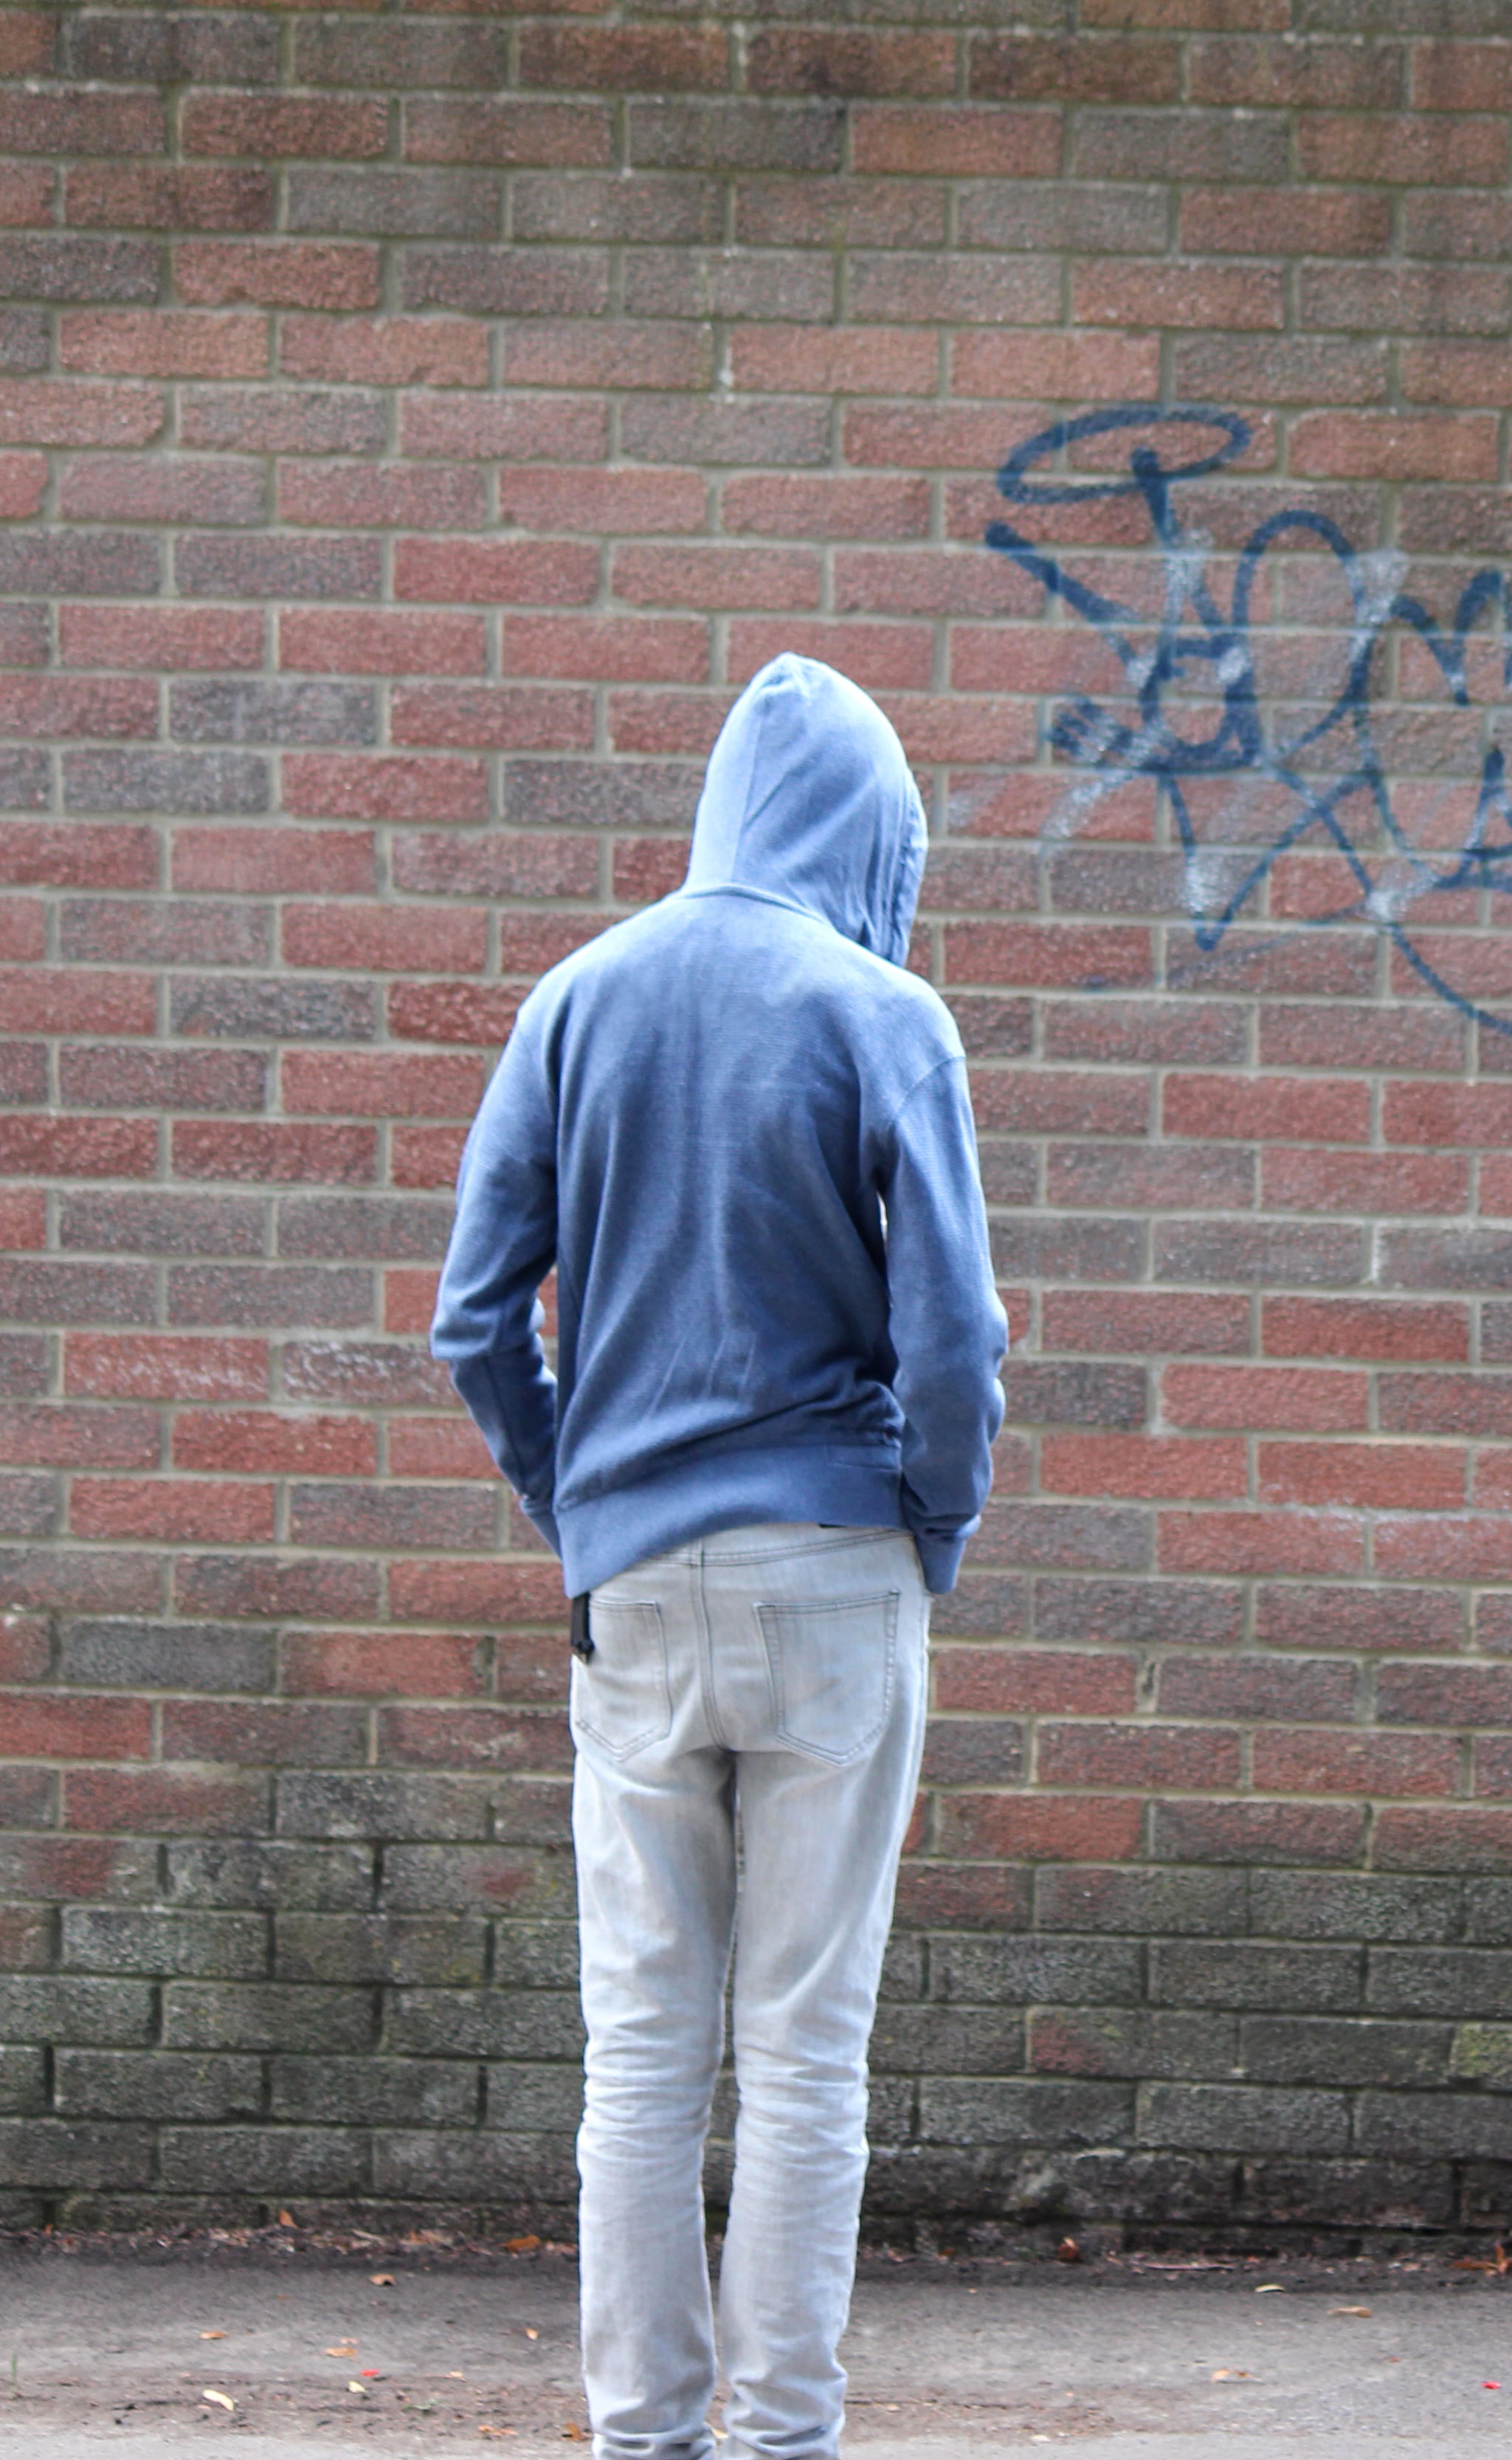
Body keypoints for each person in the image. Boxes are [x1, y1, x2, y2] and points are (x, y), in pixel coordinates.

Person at [433, 652, 1008, 2459]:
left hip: (636, 1589)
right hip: (838, 1566)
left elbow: (471, 1322)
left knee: (642, 2048)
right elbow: (958, 1339)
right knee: (808, 2050)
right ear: (874, 832)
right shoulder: (883, 1008)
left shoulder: (576, 1000)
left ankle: (642, 2433)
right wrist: (935, 1520)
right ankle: (783, 2436)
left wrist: (576, 1505)